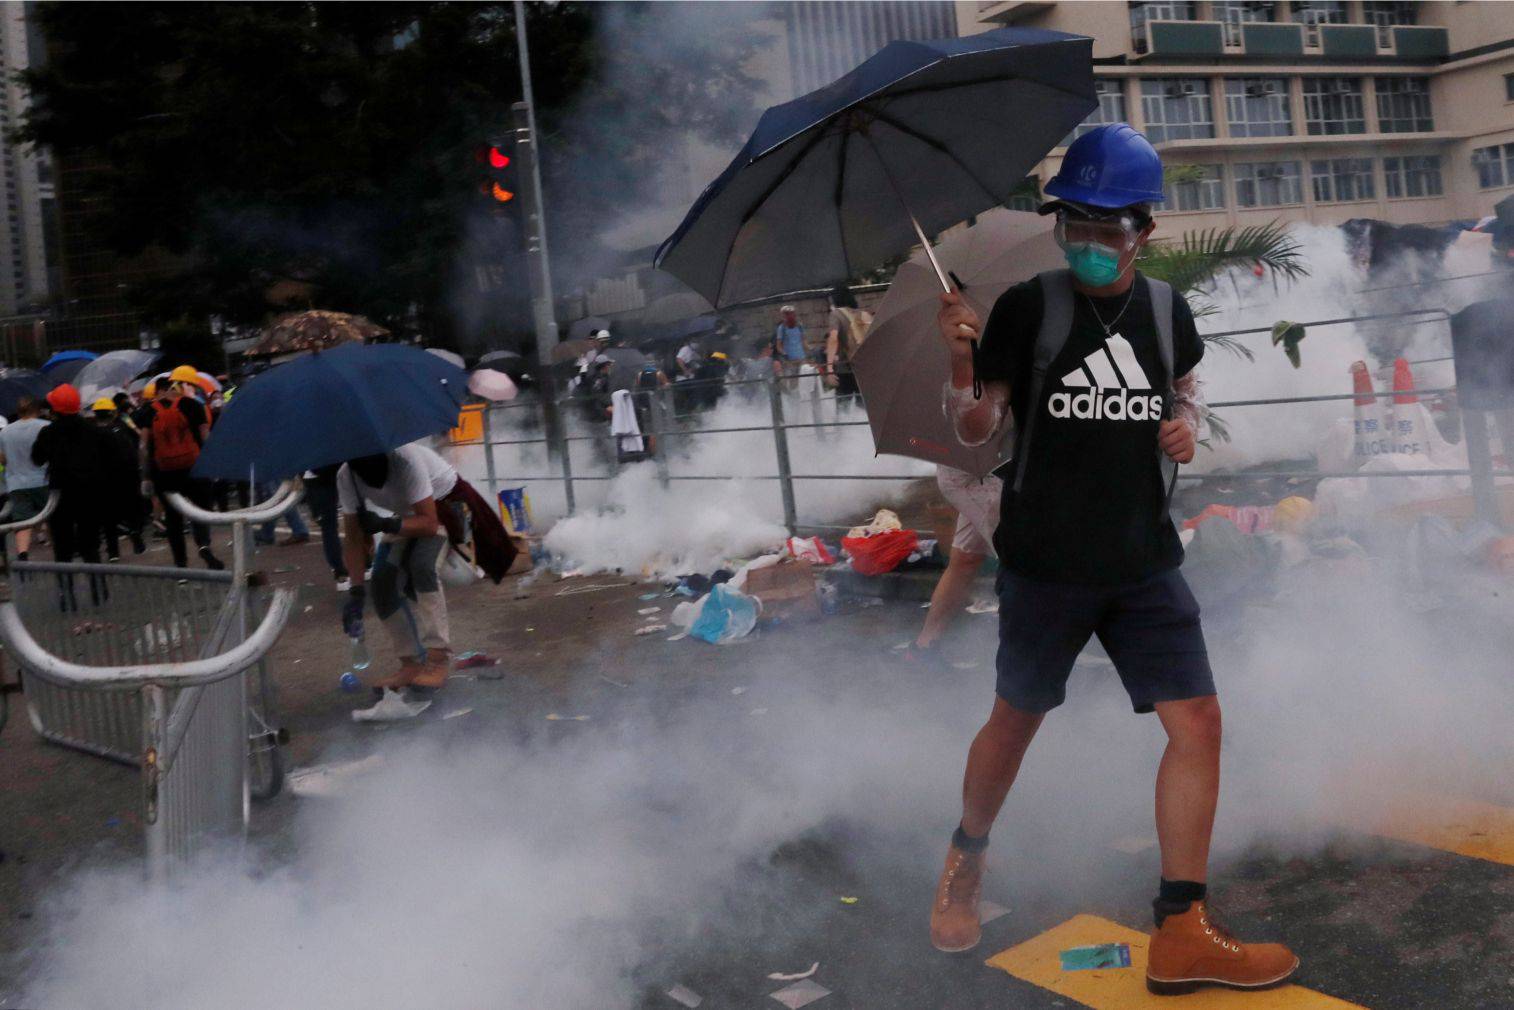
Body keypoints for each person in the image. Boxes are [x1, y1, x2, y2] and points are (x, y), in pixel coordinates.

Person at [928, 124, 1297, 996]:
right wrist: (959, 361)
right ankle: (966, 857)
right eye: (1075, 227)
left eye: (1109, 230)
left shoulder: (1169, 312)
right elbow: (977, 432)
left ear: (1145, 232)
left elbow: (1181, 401)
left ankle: (1181, 927)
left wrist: (1185, 431)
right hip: (1048, 563)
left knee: (1198, 722)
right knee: (1014, 722)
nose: (1090, 245)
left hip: (1142, 560)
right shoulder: (1030, 307)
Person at [338, 441, 515, 694]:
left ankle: (437, 658)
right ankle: (410, 662)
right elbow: (353, 539)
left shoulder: (405, 459)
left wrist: (384, 524)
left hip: (444, 509)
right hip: (408, 517)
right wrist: (355, 591)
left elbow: (429, 524)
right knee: (381, 581)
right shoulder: (347, 476)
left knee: (422, 566)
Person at [902, 466, 1002, 666]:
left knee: (965, 559)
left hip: (981, 475)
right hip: (982, 478)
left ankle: (924, 648)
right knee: (1022, 564)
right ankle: (1030, 663)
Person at [138, 365, 223, 570]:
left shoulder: (148, 411)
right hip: (195, 469)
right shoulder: (193, 405)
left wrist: (146, 477)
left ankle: (181, 564)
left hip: (165, 473)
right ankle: (203, 545)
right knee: (200, 511)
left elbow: (143, 447)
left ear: (159, 390)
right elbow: (206, 437)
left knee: (174, 519)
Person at [31, 385, 108, 606]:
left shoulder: (49, 432)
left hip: (60, 495)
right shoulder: (92, 429)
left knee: (62, 547)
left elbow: (37, 459)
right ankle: (98, 590)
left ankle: (67, 595)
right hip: (89, 493)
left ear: (55, 409)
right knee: (90, 545)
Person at [91, 397, 147, 560]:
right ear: (112, 412)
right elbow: (134, 446)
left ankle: (113, 552)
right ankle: (135, 534)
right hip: (126, 477)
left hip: (103, 480)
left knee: (108, 516)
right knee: (131, 510)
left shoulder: (92, 432)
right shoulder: (121, 427)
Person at [0, 396, 51, 563]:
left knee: (22, 521)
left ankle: (22, 553)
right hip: (42, 479)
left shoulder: (5, 432)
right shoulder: (45, 426)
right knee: (51, 513)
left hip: (16, 483)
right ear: (36, 410)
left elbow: (2, 459)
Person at [823, 285, 871, 402]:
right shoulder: (864, 315)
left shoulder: (836, 314)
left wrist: (829, 368)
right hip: (865, 368)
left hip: (845, 367)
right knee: (864, 405)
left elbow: (833, 339)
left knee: (844, 405)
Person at [768, 304, 806, 377]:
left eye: (792, 313)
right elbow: (778, 346)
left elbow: (803, 341)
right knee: (791, 379)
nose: (791, 316)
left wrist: (810, 350)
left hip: (801, 357)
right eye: (788, 314)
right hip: (789, 360)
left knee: (804, 377)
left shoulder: (799, 326)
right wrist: (784, 354)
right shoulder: (781, 328)